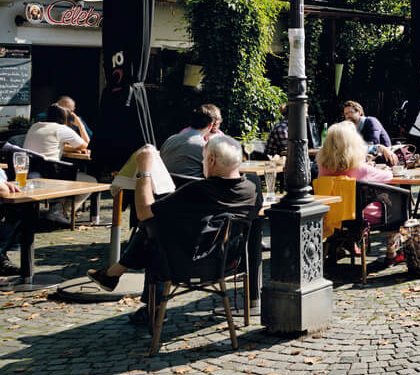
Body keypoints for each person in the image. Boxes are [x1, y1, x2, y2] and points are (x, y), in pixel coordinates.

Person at [87, 135, 259, 326]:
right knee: (160, 228)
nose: (202, 163)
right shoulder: (253, 187)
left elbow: (143, 213)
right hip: (231, 262)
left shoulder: (197, 191)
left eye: (203, 158)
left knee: (152, 230)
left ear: (211, 160)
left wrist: (144, 170)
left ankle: (138, 296)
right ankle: (114, 276)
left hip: (185, 266)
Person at [317, 121, 420, 273]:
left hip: (334, 214)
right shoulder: (360, 168)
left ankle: (335, 249)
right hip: (360, 215)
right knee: (398, 206)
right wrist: (380, 168)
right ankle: (392, 254)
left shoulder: (323, 167)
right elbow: (387, 175)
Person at [159, 104, 222, 178]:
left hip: (167, 184)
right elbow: (217, 173)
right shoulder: (205, 148)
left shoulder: (169, 140)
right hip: (194, 185)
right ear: (210, 126)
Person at [23, 103, 89, 162]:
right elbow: (88, 146)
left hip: (28, 166)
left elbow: (52, 144)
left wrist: (74, 149)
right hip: (47, 169)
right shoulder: (61, 129)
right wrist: (80, 125)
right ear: (65, 117)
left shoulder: (34, 126)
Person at [342, 101, 396, 165]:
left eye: (350, 112)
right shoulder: (351, 129)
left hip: (385, 159)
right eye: (346, 114)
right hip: (367, 160)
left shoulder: (371, 122)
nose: (348, 116)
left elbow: (374, 145)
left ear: (359, 112)